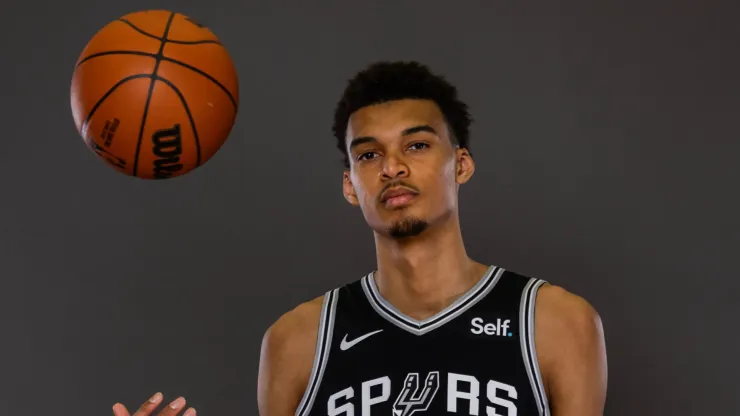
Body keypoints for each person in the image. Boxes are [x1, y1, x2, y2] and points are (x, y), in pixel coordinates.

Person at [113, 61, 608, 416]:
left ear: (461, 164)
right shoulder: (299, 340)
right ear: (351, 185)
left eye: (416, 145)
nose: (392, 167)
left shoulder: (552, 322)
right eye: (368, 155)